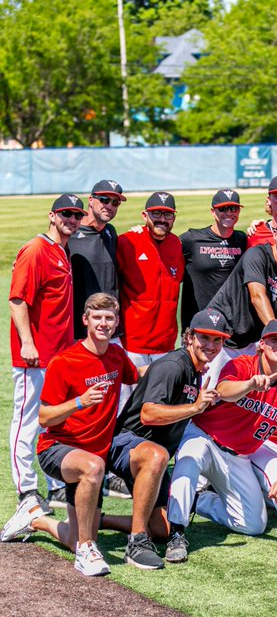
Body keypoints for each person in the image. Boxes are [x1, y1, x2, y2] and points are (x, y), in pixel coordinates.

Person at [1, 293, 167, 576]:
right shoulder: (65, 361)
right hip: (57, 450)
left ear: (116, 323)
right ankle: (87, 551)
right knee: (94, 468)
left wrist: (180, 360)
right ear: (86, 320)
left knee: (71, 536)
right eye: (98, 317)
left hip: (94, 456)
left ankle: (36, 519)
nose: (104, 323)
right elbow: (44, 417)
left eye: (109, 318)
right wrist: (80, 401)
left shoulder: (115, 355)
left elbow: (136, 374)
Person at [167, 319, 277, 547]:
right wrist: (249, 385)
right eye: (274, 340)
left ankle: (200, 501)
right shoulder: (243, 365)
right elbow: (224, 391)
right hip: (204, 436)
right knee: (189, 459)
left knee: (253, 525)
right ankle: (176, 532)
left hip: (239, 456)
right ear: (262, 345)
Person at [113, 308, 229, 563]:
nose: (210, 345)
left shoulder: (195, 370)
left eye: (217, 339)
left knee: (164, 528)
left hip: (151, 452)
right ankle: (136, 541)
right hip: (126, 443)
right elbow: (148, 414)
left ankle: (98, 520)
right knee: (157, 455)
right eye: (204, 337)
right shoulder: (174, 365)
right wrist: (196, 407)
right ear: (190, 337)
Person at [9, 194, 82, 511]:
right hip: (35, 356)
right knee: (27, 422)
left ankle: (54, 485)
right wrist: (27, 342)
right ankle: (26, 489)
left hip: (59, 358)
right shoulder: (37, 249)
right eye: (66, 213)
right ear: (52, 216)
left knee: (54, 423)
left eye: (77, 215)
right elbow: (17, 299)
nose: (72, 219)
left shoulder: (61, 251)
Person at [204, 214, 277, 385]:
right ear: (275, 234)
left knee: (243, 398)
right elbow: (257, 297)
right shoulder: (257, 255)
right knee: (210, 395)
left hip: (248, 342)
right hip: (223, 339)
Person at [115, 192, 185, 371]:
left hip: (165, 344)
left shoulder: (176, 244)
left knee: (160, 398)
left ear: (174, 218)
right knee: (128, 398)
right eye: (156, 214)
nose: (162, 220)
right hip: (133, 344)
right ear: (144, 216)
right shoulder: (127, 241)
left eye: (167, 215)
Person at [179, 190, 248, 328]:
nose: (229, 213)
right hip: (197, 325)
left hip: (229, 325)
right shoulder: (191, 239)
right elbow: (163, 246)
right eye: (222, 209)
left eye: (233, 208)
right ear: (212, 211)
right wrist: (142, 231)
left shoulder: (242, 240)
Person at [71, 180, 124, 340]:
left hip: (109, 327)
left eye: (115, 202)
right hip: (81, 331)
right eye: (104, 200)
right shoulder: (71, 233)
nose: (109, 206)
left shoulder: (110, 231)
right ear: (91, 200)